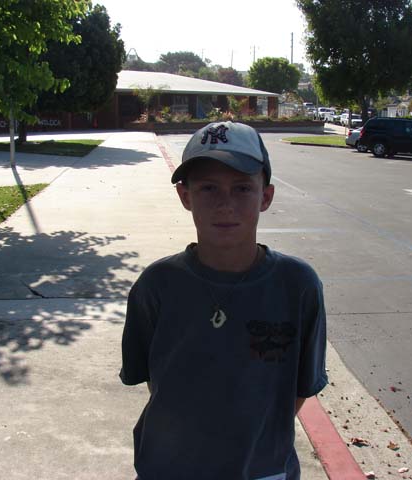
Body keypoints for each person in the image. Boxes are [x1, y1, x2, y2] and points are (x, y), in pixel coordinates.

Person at [120, 121, 328, 480]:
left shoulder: (298, 285)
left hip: (262, 470)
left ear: (266, 196)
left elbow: (298, 389)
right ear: (186, 196)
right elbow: (156, 380)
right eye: (208, 188)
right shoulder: (156, 285)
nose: (225, 204)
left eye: (242, 188)